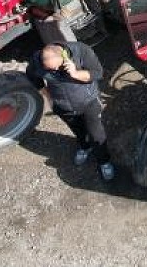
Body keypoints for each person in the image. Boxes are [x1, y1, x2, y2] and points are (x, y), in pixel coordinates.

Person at [25, 42, 114, 179]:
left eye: (57, 67)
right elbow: (32, 76)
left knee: (96, 135)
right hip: (63, 107)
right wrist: (48, 97)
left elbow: (97, 73)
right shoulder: (37, 60)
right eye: (49, 69)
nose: (54, 70)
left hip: (88, 103)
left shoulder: (81, 51)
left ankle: (104, 161)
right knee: (78, 130)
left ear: (64, 56)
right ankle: (85, 147)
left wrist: (75, 73)